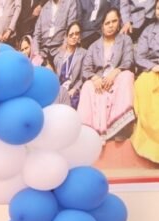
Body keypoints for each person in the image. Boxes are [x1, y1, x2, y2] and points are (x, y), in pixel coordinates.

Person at [78, 8, 136, 141]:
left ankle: (119, 127)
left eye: (114, 21)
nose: (111, 26)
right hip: (100, 81)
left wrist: (115, 72)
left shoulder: (125, 40)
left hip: (117, 79)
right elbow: (86, 69)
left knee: (127, 75)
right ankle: (87, 133)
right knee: (87, 86)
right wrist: (95, 78)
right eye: (107, 23)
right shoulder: (93, 46)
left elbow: (128, 61)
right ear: (102, 26)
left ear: (119, 22)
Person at [132, 2, 159, 160]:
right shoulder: (148, 31)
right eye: (158, 8)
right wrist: (153, 66)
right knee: (142, 85)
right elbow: (139, 57)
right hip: (152, 70)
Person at [54, 22, 87, 108]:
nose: (74, 37)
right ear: (66, 36)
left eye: (77, 34)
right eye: (71, 34)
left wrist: (74, 89)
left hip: (74, 90)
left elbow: (83, 77)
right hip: (60, 91)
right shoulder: (58, 57)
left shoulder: (84, 54)